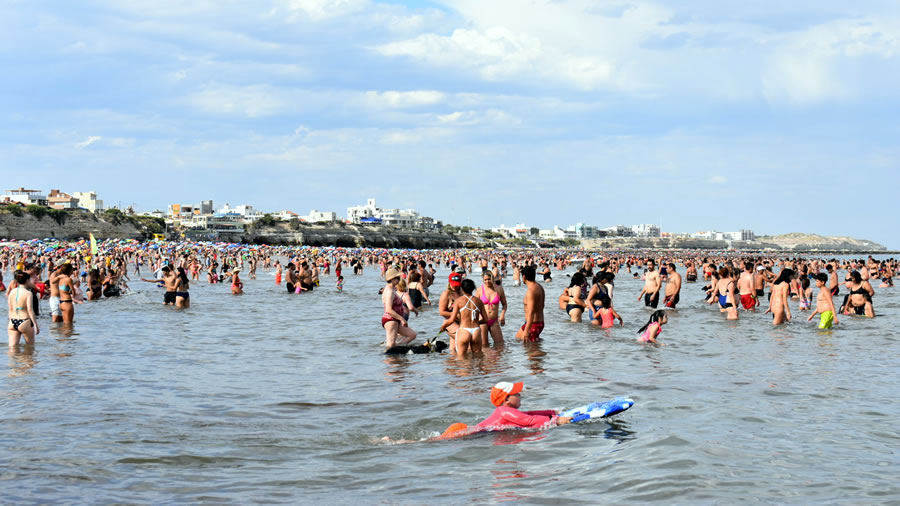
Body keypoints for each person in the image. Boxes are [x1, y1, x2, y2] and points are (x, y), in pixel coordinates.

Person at [474, 382, 572, 430]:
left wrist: (552, 412)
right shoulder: (503, 411)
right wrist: (557, 420)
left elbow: (529, 414)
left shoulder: (505, 411)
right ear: (507, 399)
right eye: (516, 394)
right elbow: (530, 421)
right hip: (475, 435)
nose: (520, 395)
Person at [439, 278, 486, 355]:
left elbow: (452, 319)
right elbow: (485, 319)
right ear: (473, 288)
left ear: (462, 288)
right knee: (478, 356)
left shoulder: (458, 301)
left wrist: (443, 327)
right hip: (476, 330)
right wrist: (477, 322)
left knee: (462, 358)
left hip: (464, 330)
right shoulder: (479, 301)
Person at [381, 268, 416, 348]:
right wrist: (402, 319)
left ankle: (398, 349)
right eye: (398, 278)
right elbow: (388, 309)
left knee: (412, 335)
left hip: (395, 320)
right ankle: (391, 357)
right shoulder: (389, 291)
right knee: (391, 344)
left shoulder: (391, 289)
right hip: (390, 320)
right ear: (392, 279)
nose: (399, 280)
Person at [7, 270, 39, 347]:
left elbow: (10, 309)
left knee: (12, 349)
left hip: (12, 322)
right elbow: (30, 310)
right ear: (27, 280)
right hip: (24, 321)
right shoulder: (28, 293)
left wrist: (10, 321)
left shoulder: (12, 292)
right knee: (30, 348)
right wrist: (35, 325)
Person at [515, 266, 545, 342]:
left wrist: (526, 330)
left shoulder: (531, 291)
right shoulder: (540, 287)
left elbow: (531, 312)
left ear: (524, 276)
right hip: (535, 322)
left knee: (531, 350)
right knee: (517, 339)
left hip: (533, 323)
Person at [478, 271, 506, 346]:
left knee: (500, 345)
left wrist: (502, 315)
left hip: (494, 321)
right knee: (484, 346)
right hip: (482, 321)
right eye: (485, 280)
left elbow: (504, 304)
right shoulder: (480, 290)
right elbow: (474, 305)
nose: (487, 281)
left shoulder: (499, 289)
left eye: (489, 279)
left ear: (492, 278)